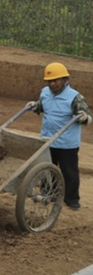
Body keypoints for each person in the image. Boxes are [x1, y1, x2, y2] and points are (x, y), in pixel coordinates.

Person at [28, 62, 92, 210]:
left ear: (65, 80)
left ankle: (72, 199)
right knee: (46, 170)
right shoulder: (44, 92)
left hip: (66, 144)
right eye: (49, 81)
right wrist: (35, 106)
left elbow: (87, 117)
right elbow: (42, 106)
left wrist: (83, 117)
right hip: (47, 140)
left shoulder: (75, 97)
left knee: (69, 172)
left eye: (56, 80)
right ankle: (49, 195)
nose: (52, 84)